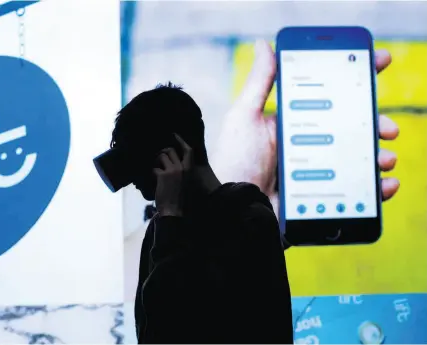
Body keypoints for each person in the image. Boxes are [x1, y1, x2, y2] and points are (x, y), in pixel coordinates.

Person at [110, 39, 400, 344]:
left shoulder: (248, 219)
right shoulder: (162, 229)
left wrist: (171, 221)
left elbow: (170, 328)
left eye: (137, 157)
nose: (131, 178)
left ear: (170, 153)